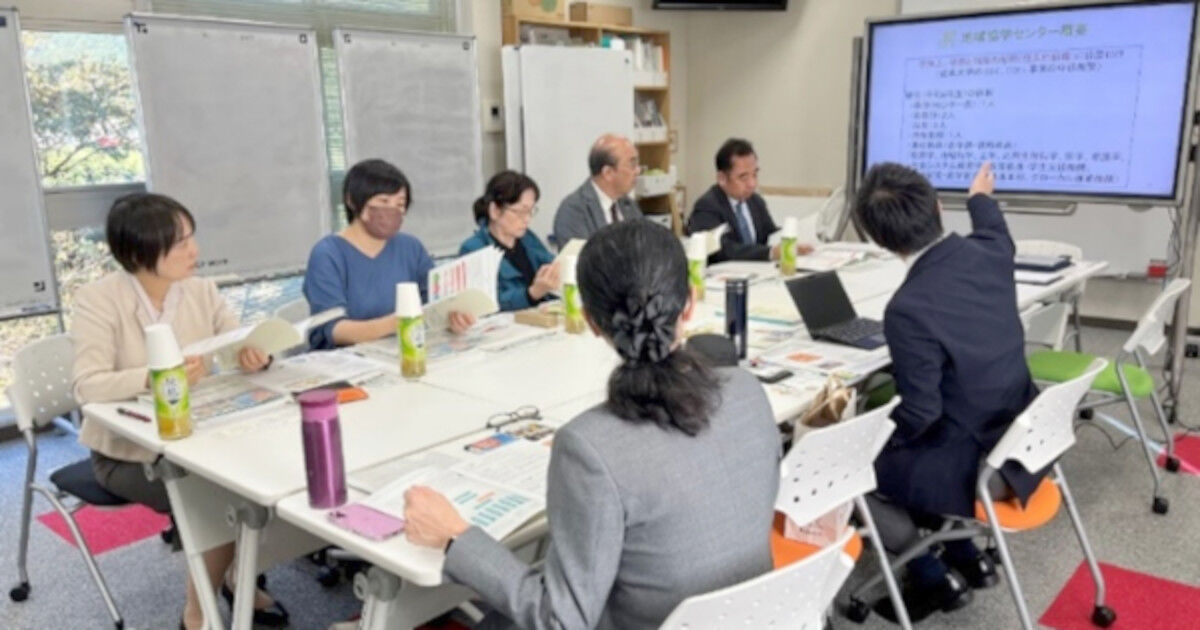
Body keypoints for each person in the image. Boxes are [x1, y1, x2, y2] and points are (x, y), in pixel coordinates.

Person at [403, 220, 781, 630]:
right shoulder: (748, 390)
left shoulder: (589, 447)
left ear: (591, 321)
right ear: (689, 303)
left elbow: (561, 620)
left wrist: (456, 536)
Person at [71, 193, 287, 630]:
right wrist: (156, 377)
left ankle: (234, 577)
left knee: (268, 470)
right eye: (179, 244)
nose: (195, 252)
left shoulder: (201, 289)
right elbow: (87, 386)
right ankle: (198, 614)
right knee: (222, 497)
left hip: (205, 432)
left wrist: (253, 354)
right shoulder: (98, 300)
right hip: (131, 453)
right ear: (138, 252)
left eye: (192, 238)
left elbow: (235, 342)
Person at [852, 162, 1043, 623]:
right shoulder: (991, 252)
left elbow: (921, 412)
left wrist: (871, 446)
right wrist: (978, 196)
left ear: (879, 242)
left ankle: (930, 572)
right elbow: (993, 224)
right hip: (1024, 443)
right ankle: (964, 552)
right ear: (939, 206)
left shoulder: (908, 308)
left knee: (849, 475)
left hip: (980, 466)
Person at [303, 159, 474, 349]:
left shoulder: (410, 247)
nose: (392, 211)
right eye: (383, 201)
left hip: (404, 352)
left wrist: (452, 317)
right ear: (352, 201)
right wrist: (398, 322)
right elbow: (333, 330)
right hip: (348, 363)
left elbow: (434, 303)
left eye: (400, 204)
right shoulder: (328, 254)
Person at [686, 138, 813, 263]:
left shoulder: (755, 201)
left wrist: (791, 239)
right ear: (722, 179)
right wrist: (770, 252)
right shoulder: (707, 207)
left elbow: (770, 235)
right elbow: (722, 250)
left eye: (755, 175)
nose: (752, 184)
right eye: (743, 177)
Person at [461, 171, 560, 312]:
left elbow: (550, 262)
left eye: (531, 211)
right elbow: (486, 304)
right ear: (495, 211)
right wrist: (532, 293)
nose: (527, 219)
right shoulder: (473, 249)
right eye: (520, 212)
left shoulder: (528, 238)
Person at [552, 133, 643, 245]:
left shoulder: (628, 205)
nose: (638, 171)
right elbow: (584, 260)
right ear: (608, 173)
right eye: (632, 165)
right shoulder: (574, 211)